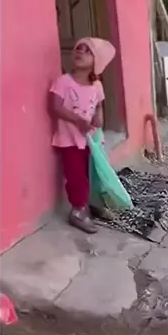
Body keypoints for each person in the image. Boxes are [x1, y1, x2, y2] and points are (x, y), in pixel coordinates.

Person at [50, 37, 116, 234]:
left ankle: (91, 203)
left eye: (88, 51)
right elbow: (55, 107)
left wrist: (99, 117)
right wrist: (77, 120)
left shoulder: (97, 85)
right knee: (76, 177)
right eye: (79, 48)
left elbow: (99, 105)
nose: (80, 52)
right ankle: (78, 211)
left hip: (91, 140)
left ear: (97, 61)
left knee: (92, 174)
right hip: (70, 140)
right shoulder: (63, 82)